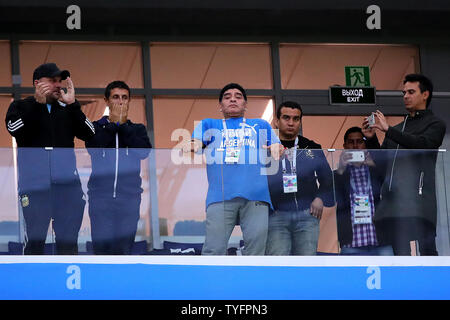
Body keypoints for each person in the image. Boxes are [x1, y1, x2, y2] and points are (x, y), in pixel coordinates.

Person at [5, 62, 95, 255]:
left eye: (59, 81)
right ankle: (33, 284)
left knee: (68, 244)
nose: (58, 85)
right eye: (52, 81)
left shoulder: (67, 109)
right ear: (37, 83)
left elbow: (91, 134)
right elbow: (14, 130)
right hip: (35, 187)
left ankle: (64, 285)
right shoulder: (21, 106)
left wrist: (73, 105)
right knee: (35, 242)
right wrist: (37, 106)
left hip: (67, 188)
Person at [185, 83, 284, 255]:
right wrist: (194, 144)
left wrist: (277, 147)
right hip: (220, 195)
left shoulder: (260, 124)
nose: (232, 99)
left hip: (256, 196)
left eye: (238, 97)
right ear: (220, 106)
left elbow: (277, 146)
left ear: (245, 104)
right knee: (213, 250)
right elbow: (195, 143)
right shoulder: (209, 124)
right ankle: (212, 282)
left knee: (256, 251)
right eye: (227, 97)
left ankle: (250, 283)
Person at [362, 73, 446, 255]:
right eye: (404, 93)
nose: (405, 96)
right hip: (394, 203)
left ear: (425, 95)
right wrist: (371, 140)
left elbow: (424, 144)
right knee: (401, 257)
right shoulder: (399, 128)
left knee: (427, 253)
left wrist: (389, 130)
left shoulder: (436, 124)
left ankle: (430, 285)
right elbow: (380, 161)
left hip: (420, 201)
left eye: (411, 92)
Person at [85, 81, 151, 255]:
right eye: (115, 97)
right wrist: (113, 125)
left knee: (124, 249)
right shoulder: (96, 127)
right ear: (106, 100)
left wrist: (123, 127)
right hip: (100, 198)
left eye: (124, 98)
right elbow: (93, 148)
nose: (120, 102)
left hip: (129, 198)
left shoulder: (137, 129)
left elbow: (144, 152)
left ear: (129, 101)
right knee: (101, 250)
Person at [266, 101, 334, 255]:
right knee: (278, 266)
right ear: (276, 121)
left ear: (300, 121)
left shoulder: (311, 147)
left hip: (307, 215)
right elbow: (257, 183)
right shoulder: (267, 148)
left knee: (307, 265)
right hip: (276, 216)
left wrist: (320, 198)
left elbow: (328, 180)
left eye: (296, 119)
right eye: (286, 118)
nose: (291, 123)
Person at [334, 127, 393, 255]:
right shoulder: (339, 173)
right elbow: (331, 198)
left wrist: (373, 164)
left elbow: (390, 186)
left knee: (389, 274)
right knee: (350, 276)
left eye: (359, 141)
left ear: (365, 144)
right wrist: (341, 169)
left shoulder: (375, 169)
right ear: (344, 146)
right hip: (351, 241)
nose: (355, 146)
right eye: (351, 142)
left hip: (380, 239)